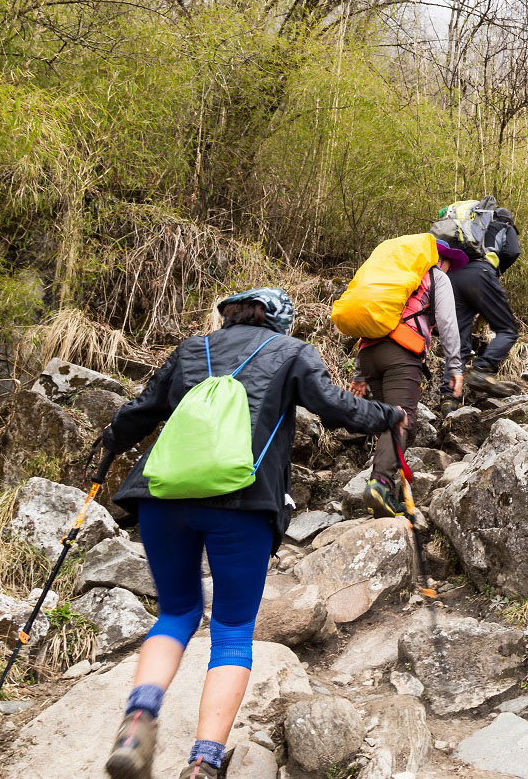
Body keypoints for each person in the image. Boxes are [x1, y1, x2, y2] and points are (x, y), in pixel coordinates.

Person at [100, 288, 405, 779]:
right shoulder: (292, 352)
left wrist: (109, 446)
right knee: (232, 631)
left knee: (176, 613)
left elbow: (140, 410)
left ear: (230, 317)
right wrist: (389, 416)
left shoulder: (191, 349)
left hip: (162, 498)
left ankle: (137, 722)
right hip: (242, 503)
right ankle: (202, 763)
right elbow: (336, 409)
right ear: (279, 322)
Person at [350, 240, 465, 517]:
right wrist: (455, 367)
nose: (449, 268)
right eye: (449, 263)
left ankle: (386, 495)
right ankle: (379, 485)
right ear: (440, 259)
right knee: (401, 420)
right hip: (400, 353)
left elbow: (372, 319)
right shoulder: (436, 276)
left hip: (369, 353)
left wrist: (360, 372)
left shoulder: (394, 276)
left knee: (391, 422)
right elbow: (448, 323)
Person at [447, 205, 521, 395]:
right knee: (508, 330)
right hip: (481, 273)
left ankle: (449, 397)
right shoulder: (504, 226)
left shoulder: (469, 228)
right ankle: (482, 369)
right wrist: (497, 272)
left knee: (460, 340)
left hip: (454, 276)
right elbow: (512, 251)